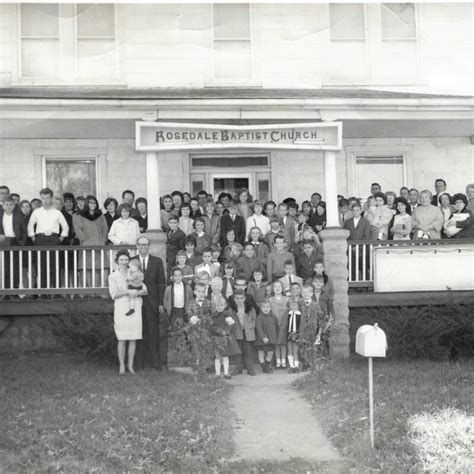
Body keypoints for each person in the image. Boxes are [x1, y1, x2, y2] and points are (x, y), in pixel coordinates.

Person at [108, 249, 147, 374]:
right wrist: (127, 292)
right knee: (122, 338)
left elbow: (144, 289)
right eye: (121, 260)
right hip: (121, 307)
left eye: (126, 260)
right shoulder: (113, 276)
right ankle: (121, 366)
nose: (124, 262)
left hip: (135, 305)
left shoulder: (135, 272)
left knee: (133, 338)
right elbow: (113, 294)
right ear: (117, 261)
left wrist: (138, 292)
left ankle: (130, 366)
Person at [135, 235, 167, 370]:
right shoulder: (132, 262)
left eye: (145, 244)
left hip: (153, 302)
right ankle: (140, 363)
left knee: (153, 333)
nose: (143, 247)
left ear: (149, 246)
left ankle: (155, 363)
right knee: (138, 332)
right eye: (140, 244)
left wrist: (160, 303)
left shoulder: (157, 261)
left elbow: (161, 283)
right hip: (136, 302)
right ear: (137, 246)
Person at [27, 188, 69, 289]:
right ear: (41, 198)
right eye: (43, 198)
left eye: (48, 198)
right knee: (41, 266)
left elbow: (65, 227)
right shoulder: (36, 212)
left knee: (55, 265)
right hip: (40, 239)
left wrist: (60, 239)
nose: (46, 200)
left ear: (51, 198)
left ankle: (56, 290)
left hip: (54, 239)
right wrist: (34, 238)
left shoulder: (57, 212)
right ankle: (43, 291)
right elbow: (30, 225)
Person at [73, 195, 109, 292]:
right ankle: (90, 291)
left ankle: (98, 290)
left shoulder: (100, 216)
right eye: (90, 202)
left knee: (99, 268)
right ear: (86, 204)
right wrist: (83, 240)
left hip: (99, 244)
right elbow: (78, 229)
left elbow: (105, 228)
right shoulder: (79, 215)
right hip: (86, 245)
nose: (93, 204)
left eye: (94, 202)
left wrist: (103, 241)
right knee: (87, 268)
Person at [164, 266, 194, 355]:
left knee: (186, 331)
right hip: (174, 311)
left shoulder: (188, 288)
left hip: (184, 311)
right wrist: (168, 308)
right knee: (175, 331)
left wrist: (189, 310)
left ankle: (187, 351)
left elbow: (191, 299)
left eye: (179, 275)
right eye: (175, 275)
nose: (177, 277)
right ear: (172, 277)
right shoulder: (169, 288)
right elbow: (165, 299)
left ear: (182, 276)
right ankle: (177, 352)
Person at [0, 196, 27, 292]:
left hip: (16, 241)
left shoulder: (18, 215)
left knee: (15, 268)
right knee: (5, 267)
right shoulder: (0, 215)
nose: (8, 206)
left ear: (14, 205)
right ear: (3, 206)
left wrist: (22, 242)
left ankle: (14, 291)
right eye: (6, 204)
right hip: (3, 242)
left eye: (11, 204)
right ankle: (5, 291)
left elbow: (24, 230)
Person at [210, 296, 240, 379]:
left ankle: (226, 372)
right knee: (217, 356)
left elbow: (232, 326)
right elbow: (211, 327)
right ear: (215, 306)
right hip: (217, 338)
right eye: (217, 305)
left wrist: (227, 330)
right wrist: (218, 331)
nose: (219, 307)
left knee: (226, 356)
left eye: (221, 305)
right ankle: (217, 373)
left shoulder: (227, 314)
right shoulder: (213, 316)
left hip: (225, 338)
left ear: (224, 305)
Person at [229, 289, 257, 376]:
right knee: (238, 351)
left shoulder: (249, 308)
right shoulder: (231, 309)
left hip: (247, 332)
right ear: (234, 299)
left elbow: (254, 319)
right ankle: (238, 368)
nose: (239, 300)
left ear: (244, 298)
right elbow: (229, 320)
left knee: (248, 350)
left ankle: (250, 368)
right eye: (237, 298)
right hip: (237, 332)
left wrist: (251, 325)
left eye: (241, 298)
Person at [255, 299, 278, 374]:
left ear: (270, 308)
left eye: (268, 307)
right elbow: (259, 328)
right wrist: (263, 337)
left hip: (271, 339)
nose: (266, 309)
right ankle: (264, 367)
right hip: (262, 339)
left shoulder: (273, 317)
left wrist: (275, 338)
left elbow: (276, 327)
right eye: (264, 307)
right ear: (261, 308)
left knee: (270, 352)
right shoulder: (259, 317)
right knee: (261, 352)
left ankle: (266, 366)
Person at [270, 279, 289, 369]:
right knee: (276, 343)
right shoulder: (270, 300)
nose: (277, 288)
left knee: (283, 343)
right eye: (275, 287)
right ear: (272, 289)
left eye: (279, 287)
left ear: (282, 288)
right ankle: (278, 361)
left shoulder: (287, 299)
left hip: (284, 324)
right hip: (274, 325)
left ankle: (284, 361)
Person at [286, 299, 303, 374]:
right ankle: (291, 366)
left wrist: (299, 334)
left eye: (295, 305)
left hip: (297, 334)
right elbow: (285, 324)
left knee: (295, 350)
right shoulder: (288, 314)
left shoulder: (300, 315)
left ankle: (296, 366)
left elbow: (302, 325)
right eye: (291, 305)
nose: (293, 307)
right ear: (289, 306)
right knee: (289, 350)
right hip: (289, 334)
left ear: (298, 306)